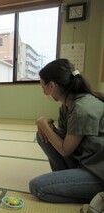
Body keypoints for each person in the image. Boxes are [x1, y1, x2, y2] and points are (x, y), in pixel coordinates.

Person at [29, 59, 104, 203]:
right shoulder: (67, 106)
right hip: (86, 161)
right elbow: (62, 138)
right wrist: (47, 128)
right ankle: (67, 180)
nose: (43, 92)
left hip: (98, 172)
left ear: (52, 86)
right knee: (42, 135)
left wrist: (44, 124)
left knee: (37, 187)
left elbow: (65, 150)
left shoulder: (82, 109)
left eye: (43, 87)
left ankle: (92, 195)